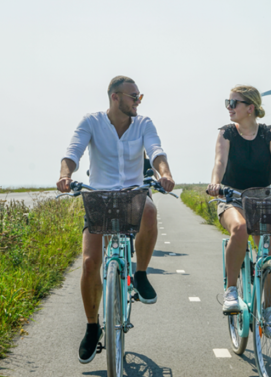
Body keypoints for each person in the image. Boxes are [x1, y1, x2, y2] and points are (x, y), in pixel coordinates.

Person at [57, 76, 175, 364]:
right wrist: (65, 175)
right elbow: (73, 152)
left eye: (139, 97)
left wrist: (165, 173)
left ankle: (141, 274)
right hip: (98, 197)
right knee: (89, 263)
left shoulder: (144, 123)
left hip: (133, 195)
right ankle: (92, 326)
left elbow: (156, 151)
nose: (138, 101)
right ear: (115, 98)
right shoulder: (92, 122)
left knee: (149, 210)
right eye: (134, 96)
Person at [206, 85, 271, 337]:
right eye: (228, 103)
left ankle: (268, 310)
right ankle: (231, 291)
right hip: (231, 195)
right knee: (240, 228)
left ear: (250, 108)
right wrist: (215, 184)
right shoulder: (226, 133)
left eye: (233, 103)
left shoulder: (269, 133)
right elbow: (219, 162)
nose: (229, 108)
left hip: (261, 199)